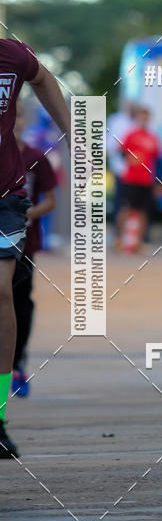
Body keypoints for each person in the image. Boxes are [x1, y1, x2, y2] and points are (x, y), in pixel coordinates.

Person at [0, 39, 70, 459]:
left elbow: (43, 78)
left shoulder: (12, 55)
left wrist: (72, 132)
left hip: (4, 198)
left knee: (2, 291)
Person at [10, 101, 59, 397]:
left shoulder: (35, 157)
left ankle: (17, 363)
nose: (14, 120)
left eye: (19, 115)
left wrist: (26, 213)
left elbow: (51, 200)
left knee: (20, 304)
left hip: (24, 245)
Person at [117, 106, 162, 251]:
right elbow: (121, 152)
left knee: (143, 211)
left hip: (146, 179)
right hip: (131, 179)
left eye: (146, 117)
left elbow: (158, 160)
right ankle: (119, 238)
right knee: (127, 208)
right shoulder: (131, 135)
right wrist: (129, 158)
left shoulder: (152, 137)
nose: (143, 119)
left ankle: (139, 241)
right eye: (141, 116)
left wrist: (159, 183)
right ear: (138, 118)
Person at [107, 100, 138, 225]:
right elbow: (108, 142)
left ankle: (133, 234)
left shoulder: (138, 122)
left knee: (135, 202)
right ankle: (118, 233)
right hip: (121, 167)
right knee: (120, 200)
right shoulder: (116, 120)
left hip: (137, 169)